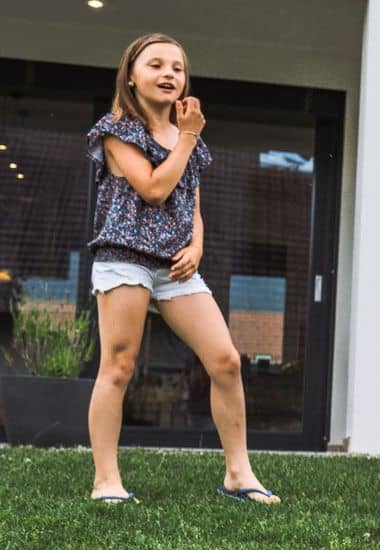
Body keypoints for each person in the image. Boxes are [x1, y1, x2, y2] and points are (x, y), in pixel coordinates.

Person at [84, 33, 280, 505]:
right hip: (125, 256)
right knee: (119, 365)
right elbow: (153, 188)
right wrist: (189, 135)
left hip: (176, 266)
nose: (169, 74)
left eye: (177, 67)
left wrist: (197, 245)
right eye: (155, 65)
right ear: (131, 76)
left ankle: (239, 474)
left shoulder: (188, 140)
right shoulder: (117, 130)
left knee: (226, 361)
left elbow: (193, 206)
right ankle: (105, 480)